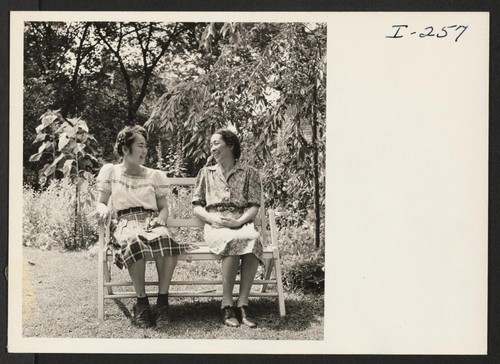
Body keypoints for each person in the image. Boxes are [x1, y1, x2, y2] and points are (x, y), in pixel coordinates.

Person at [95, 125, 196, 329]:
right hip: (125, 223)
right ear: (125, 149)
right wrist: (103, 210)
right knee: (134, 242)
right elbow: (101, 202)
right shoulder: (111, 172)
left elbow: (164, 208)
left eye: (145, 146)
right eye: (140, 146)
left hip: (151, 221)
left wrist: (160, 219)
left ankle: (162, 303)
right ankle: (141, 303)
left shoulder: (154, 175)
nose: (144, 151)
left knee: (166, 239)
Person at [192, 129, 263, 328]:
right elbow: (197, 205)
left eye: (216, 143)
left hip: (241, 222)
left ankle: (243, 304)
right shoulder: (206, 173)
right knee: (232, 240)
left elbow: (254, 206)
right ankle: (226, 304)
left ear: (230, 145)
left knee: (252, 239)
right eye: (211, 145)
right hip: (216, 224)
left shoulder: (249, 172)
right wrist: (211, 218)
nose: (212, 148)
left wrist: (239, 222)